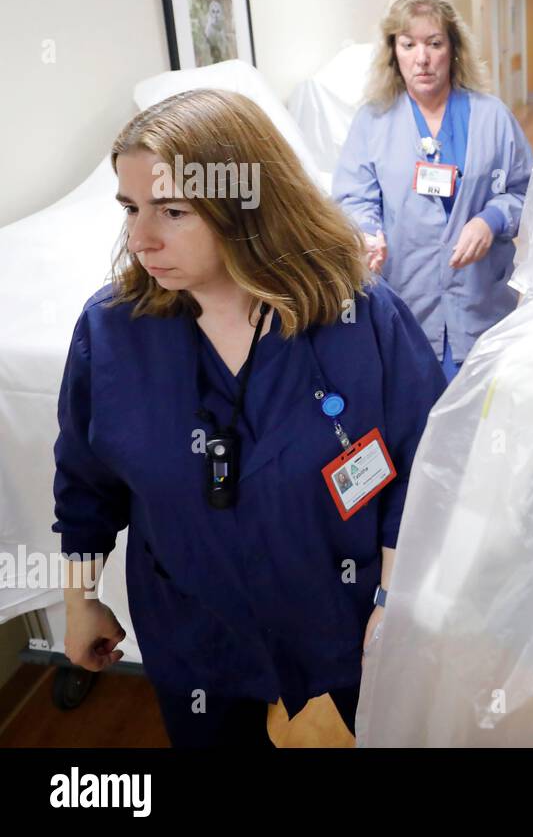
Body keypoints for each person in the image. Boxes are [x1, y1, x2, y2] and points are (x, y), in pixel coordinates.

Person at [53, 89, 445, 747]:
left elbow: (423, 468)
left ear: (246, 205)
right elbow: (85, 484)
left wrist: (391, 603)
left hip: (349, 629)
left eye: (172, 211)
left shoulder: (360, 320)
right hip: (198, 639)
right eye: (131, 209)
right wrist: (78, 598)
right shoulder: (112, 332)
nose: (141, 239)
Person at [334, 0, 533, 382]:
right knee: (415, 415)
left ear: (453, 49)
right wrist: (367, 232)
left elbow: (526, 190)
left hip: (480, 301)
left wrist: (491, 219)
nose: (421, 59)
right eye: (408, 45)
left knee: (480, 412)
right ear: (394, 52)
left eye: (434, 43)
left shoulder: (492, 116)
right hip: (407, 294)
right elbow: (353, 196)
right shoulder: (372, 122)